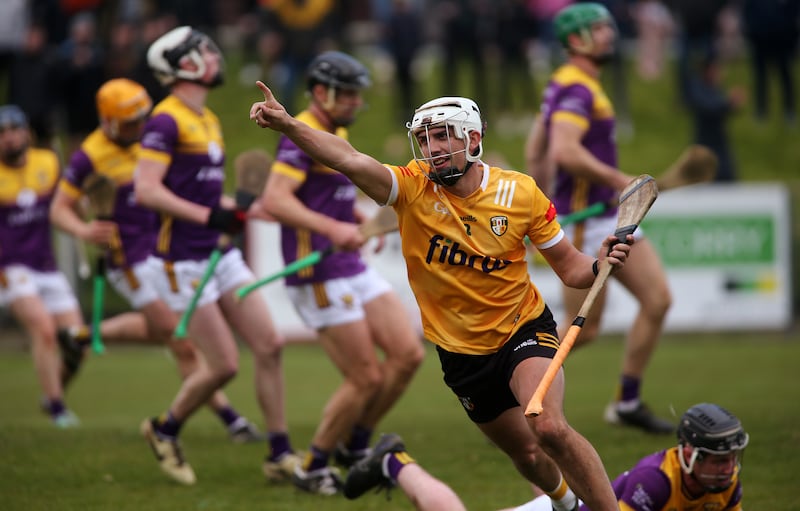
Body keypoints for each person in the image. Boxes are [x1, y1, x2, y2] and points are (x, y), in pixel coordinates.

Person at [251, 88, 635, 510]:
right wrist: (289, 125)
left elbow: (571, 268)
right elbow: (347, 158)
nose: (431, 149)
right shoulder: (411, 187)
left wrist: (599, 265)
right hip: (461, 355)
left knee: (547, 427)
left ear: (473, 140)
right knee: (525, 454)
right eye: (425, 138)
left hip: (522, 329)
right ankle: (564, 505)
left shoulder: (521, 193)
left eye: (443, 137)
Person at [49, 77, 264, 444]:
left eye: (141, 119)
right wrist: (85, 232)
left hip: (163, 251)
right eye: (129, 123)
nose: (138, 128)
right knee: (180, 340)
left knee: (172, 332)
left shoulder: (155, 139)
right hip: (127, 259)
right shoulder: (90, 155)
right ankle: (230, 419)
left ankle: (82, 336)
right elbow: (59, 209)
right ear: (107, 121)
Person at [132, 26, 299, 486]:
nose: (213, 55)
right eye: (202, 50)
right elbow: (146, 190)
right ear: (183, 64)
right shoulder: (165, 120)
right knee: (224, 364)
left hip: (217, 255)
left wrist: (245, 210)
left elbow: (204, 194)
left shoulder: (205, 118)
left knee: (270, 343)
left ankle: (280, 453)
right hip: (179, 261)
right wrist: (209, 217)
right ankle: (164, 429)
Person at [258, 50, 424, 495]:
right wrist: (332, 227)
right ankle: (311, 467)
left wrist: (352, 216)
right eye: (346, 92)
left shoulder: (335, 131)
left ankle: (355, 444)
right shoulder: (299, 136)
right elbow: (276, 200)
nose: (354, 100)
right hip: (319, 274)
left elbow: (324, 195)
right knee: (365, 376)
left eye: (356, 93)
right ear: (319, 91)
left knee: (408, 354)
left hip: (350, 264)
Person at [524, 2, 674, 434]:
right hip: (589, 223)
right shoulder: (576, 88)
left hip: (612, 214)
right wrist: (621, 177)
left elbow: (536, 149)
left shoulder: (567, 84)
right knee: (582, 332)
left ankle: (626, 401)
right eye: (599, 29)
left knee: (658, 299)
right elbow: (563, 152)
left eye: (609, 27)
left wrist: (539, 197)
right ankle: (515, 387)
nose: (609, 34)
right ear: (575, 40)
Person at [343, 402, 749, 511]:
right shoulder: (656, 481)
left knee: (539, 464)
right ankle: (392, 461)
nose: (727, 468)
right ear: (691, 455)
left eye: (731, 458)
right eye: (718, 459)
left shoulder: (726, 485)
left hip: (566, 502)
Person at [0, 104, 85, 428]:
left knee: (79, 342)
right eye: (2, 134)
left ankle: (52, 392)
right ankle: (57, 408)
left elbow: (66, 202)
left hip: (46, 265)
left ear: (27, 134)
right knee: (45, 330)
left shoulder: (48, 163)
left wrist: (82, 201)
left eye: (14, 130)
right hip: (10, 267)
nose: (8, 138)